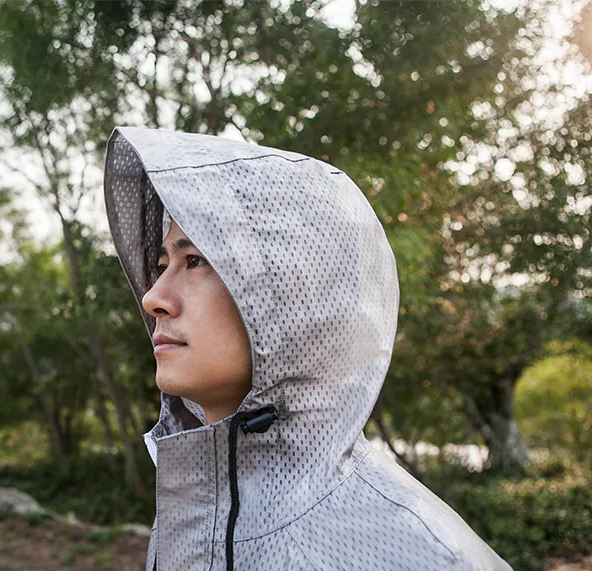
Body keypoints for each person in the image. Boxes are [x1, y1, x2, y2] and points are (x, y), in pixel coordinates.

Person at [104, 126, 513, 571]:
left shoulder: (423, 557)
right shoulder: (194, 506)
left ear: (297, 295)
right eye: (162, 264)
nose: (153, 298)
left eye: (196, 261)